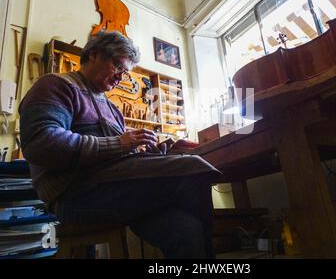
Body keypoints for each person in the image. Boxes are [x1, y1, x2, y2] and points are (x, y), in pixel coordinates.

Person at [19, 31, 221, 259]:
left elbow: (121, 153)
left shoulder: (113, 110)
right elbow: (42, 144)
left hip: (114, 188)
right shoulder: (57, 85)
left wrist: (152, 151)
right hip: (74, 195)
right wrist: (119, 143)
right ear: (94, 54)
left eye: (125, 72)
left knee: (186, 229)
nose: (120, 77)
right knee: (193, 169)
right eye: (117, 66)